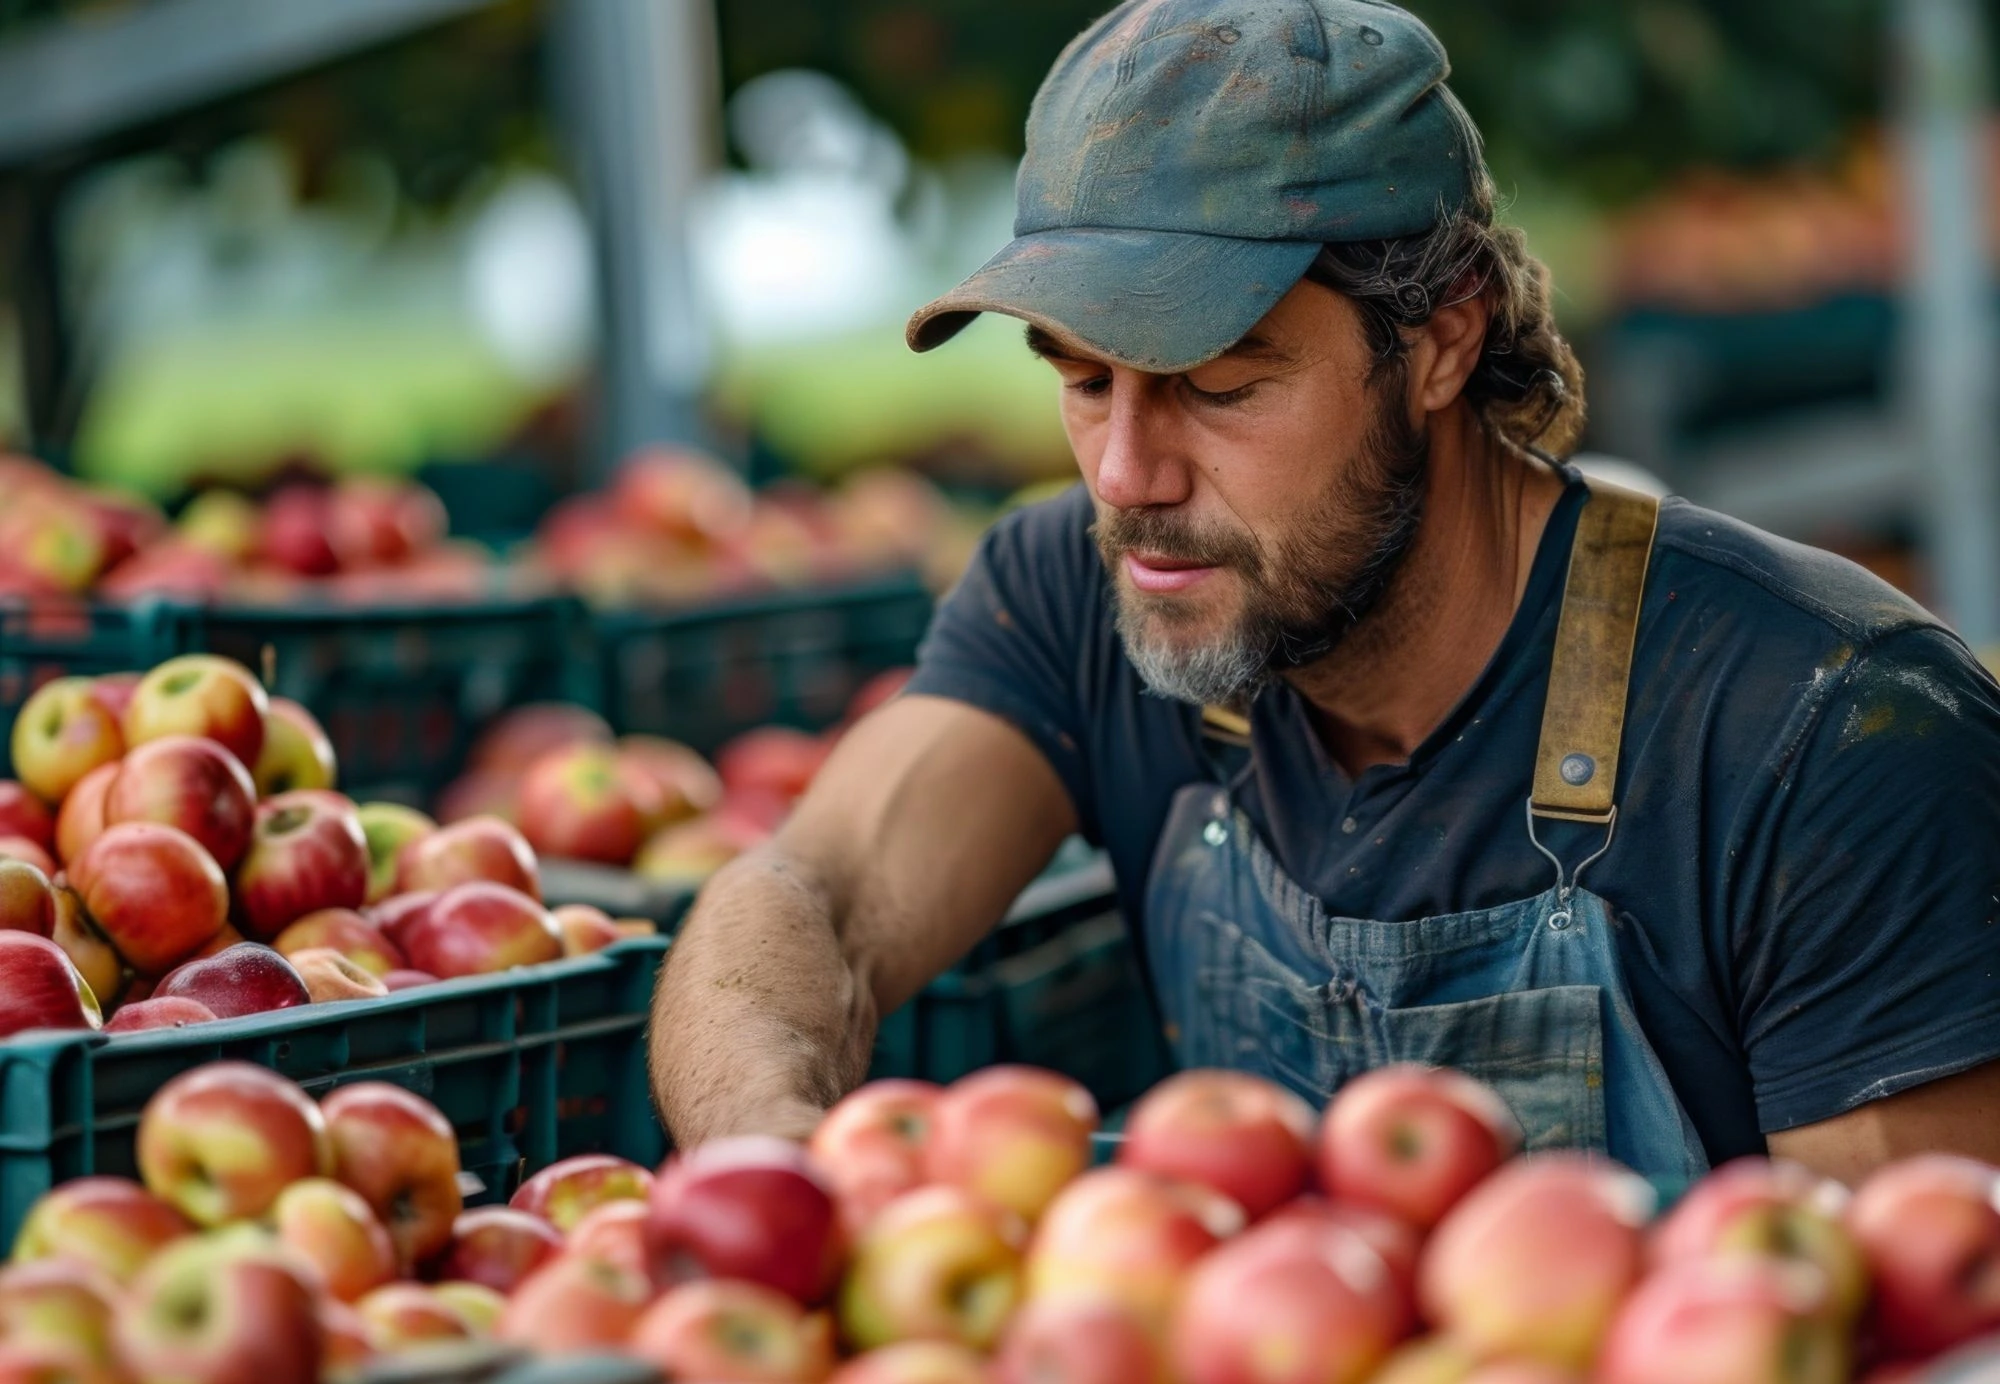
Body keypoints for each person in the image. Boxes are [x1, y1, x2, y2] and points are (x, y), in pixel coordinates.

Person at [650, 0, 2000, 1183]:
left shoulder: (1830, 738)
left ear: (1442, 340)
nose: (1126, 475)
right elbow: (809, 898)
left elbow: (1913, 1314)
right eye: (1078, 378)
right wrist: (771, 1173)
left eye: (1222, 384)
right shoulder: (1083, 590)